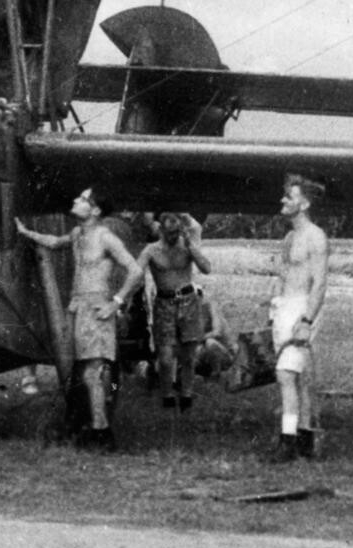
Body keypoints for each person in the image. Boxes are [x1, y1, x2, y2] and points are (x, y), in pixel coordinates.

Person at [18, 187, 143, 448]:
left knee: (93, 373)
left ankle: (101, 432)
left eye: (83, 199)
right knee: (78, 371)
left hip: (97, 306)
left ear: (95, 210)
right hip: (77, 306)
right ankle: (83, 424)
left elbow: (134, 270)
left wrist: (115, 303)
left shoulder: (106, 238)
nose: (76, 200)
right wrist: (25, 232)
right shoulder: (77, 233)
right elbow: (54, 242)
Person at [271, 174, 330, 461]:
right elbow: (286, 275)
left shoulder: (316, 237)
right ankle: (306, 437)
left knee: (285, 374)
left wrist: (306, 320)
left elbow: (319, 283)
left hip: (303, 307)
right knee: (300, 376)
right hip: (285, 307)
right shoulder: (290, 237)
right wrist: (275, 305)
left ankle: (288, 441)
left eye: (289, 197)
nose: (283, 200)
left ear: (304, 203)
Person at [139, 212, 214, 409]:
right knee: (165, 357)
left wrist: (191, 247)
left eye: (176, 232)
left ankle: (187, 396)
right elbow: (135, 271)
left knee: (189, 355)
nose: (173, 236)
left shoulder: (187, 245)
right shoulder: (152, 250)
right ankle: (167, 394)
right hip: (164, 303)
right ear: (161, 230)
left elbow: (207, 268)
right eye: (169, 232)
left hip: (188, 301)